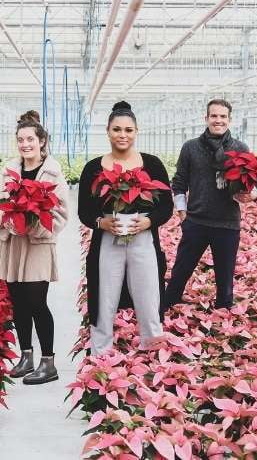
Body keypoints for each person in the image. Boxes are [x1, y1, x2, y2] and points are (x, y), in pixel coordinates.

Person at [78, 101, 173, 356]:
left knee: (149, 297)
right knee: (104, 298)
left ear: (136, 132)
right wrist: (101, 223)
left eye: (128, 130)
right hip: (108, 240)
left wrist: (148, 221)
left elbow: (166, 206)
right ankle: (100, 355)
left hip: (143, 239)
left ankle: (152, 353)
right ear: (108, 131)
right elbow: (84, 211)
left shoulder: (151, 164)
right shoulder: (93, 168)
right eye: (117, 129)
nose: (123, 135)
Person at [0, 110, 69, 385]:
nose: (25, 144)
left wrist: (31, 224)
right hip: (12, 244)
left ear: (42, 141)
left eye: (30, 139)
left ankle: (48, 362)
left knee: (37, 302)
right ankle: (26, 356)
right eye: (20, 140)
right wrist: (8, 220)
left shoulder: (53, 172)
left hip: (37, 245)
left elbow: (60, 214)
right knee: (18, 304)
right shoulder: (9, 170)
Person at [162, 99, 255, 314]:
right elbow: (179, 182)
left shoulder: (240, 149)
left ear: (230, 120)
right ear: (206, 118)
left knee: (225, 279)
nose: (218, 120)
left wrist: (251, 195)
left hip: (227, 224)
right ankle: (166, 308)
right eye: (214, 116)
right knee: (180, 272)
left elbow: (253, 183)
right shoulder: (191, 147)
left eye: (223, 116)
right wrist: (183, 214)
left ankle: (223, 317)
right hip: (196, 222)